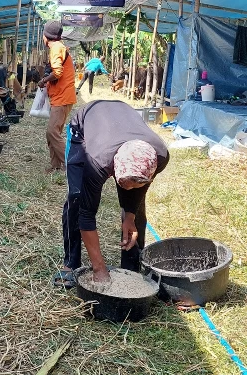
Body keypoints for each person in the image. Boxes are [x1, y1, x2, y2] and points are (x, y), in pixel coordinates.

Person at [53, 100, 170, 287]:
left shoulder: (160, 156)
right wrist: (99, 268)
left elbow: (140, 189)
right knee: (77, 197)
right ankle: (71, 264)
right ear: (114, 168)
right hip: (84, 127)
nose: (127, 189)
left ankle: (131, 267)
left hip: (121, 118)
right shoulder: (97, 161)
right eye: (122, 182)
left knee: (137, 208)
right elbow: (87, 215)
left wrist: (130, 216)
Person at [37, 20, 77, 174]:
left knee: (52, 132)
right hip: (61, 96)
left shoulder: (55, 48)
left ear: (46, 36)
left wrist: (44, 80)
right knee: (54, 132)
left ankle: (70, 164)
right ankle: (56, 166)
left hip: (62, 97)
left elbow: (58, 73)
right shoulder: (59, 47)